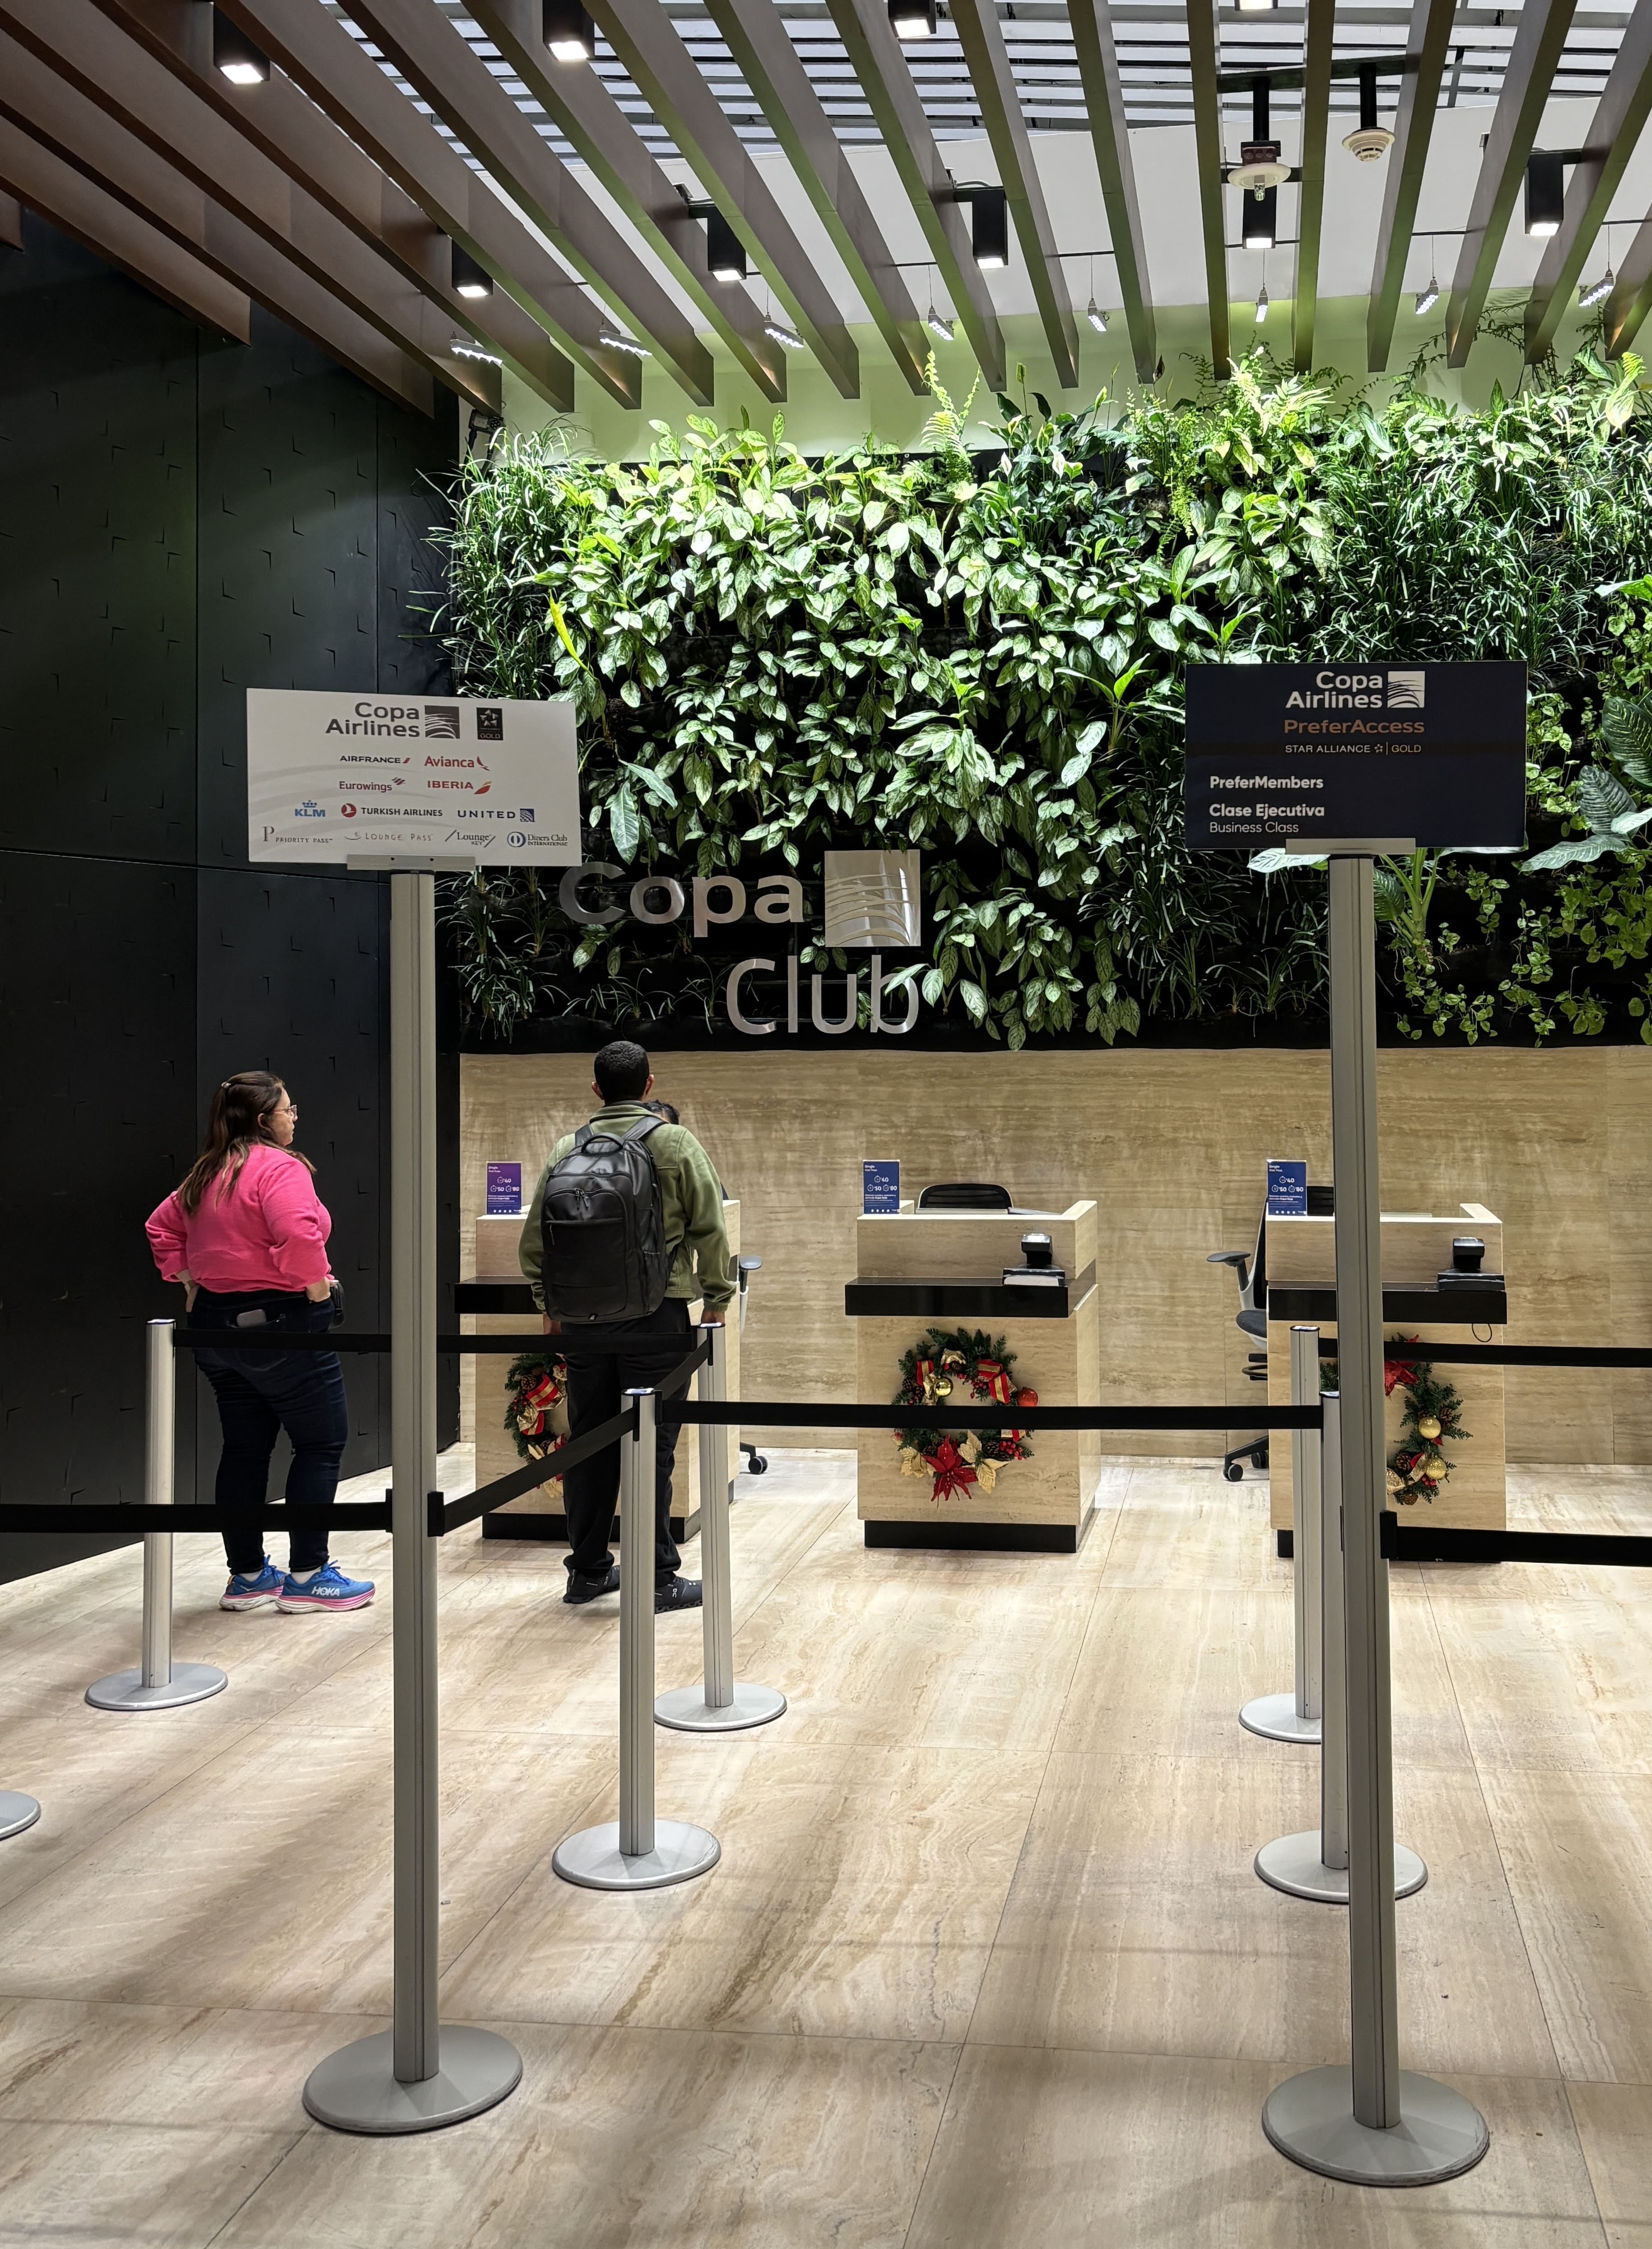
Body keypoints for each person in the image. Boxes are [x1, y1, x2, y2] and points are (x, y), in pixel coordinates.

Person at [145, 1072, 375, 1614]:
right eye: (288, 1109)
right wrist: (315, 1287)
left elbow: (160, 1226)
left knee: (244, 1449)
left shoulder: (207, 1170)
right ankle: (309, 1576)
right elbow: (297, 1232)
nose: (295, 1117)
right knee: (320, 1443)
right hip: (283, 1322)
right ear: (263, 1119)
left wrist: (188, 1279)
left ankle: (247, 1576)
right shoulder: (280, 1168)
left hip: (214, 1326)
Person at [521, 1040, 733, 1610]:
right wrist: (717, 1298)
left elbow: (535, 1240)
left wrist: (549, 1305)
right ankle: (657, 1578)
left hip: (581, 1321)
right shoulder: (674, 1142)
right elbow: (710, 1227)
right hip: (656, 1318)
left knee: (589, 1441)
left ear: (596, 1089)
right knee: (652, 1443)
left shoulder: (568, 1146)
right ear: (649, 1085)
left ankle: (588, 1572)